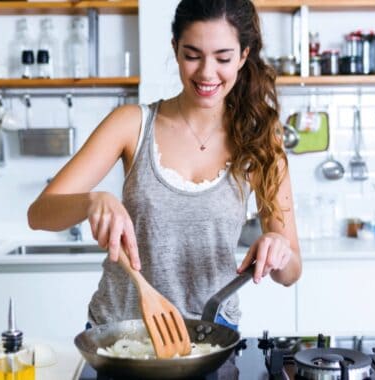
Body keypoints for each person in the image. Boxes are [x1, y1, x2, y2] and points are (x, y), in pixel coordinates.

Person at [27, 0, 301, 330]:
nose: (206, 72)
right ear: (175, 49)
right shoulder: (130, 124)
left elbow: (291, 273)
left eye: (223, 58)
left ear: (243, 55)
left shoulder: (259, 142)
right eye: (192, 55)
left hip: (211, 333)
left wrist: (279, 248)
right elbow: (39, 213)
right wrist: (91, 201)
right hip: (120, 330)